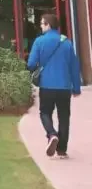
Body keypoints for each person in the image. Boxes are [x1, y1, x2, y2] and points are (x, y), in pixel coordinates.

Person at [27, 13, 82, 158]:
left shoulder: (39, 41)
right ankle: (62, 150)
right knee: (64, 116)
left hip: (47, 85)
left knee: (45, 112)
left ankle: (51, 134)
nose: (40, 26)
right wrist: (76, 87)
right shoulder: (67, 42)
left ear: (48, 25)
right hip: (64, 87)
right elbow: (74, 67)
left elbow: (31, 64)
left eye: (42, 23)